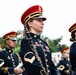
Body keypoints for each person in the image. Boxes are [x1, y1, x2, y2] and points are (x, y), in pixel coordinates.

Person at [20, 5, 58, 75]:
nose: (43, 23)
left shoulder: (44, 43)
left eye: (42, 21)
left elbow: (51, 65)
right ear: (30, 23)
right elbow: (31, 65)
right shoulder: (26, 41)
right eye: (39, 20)